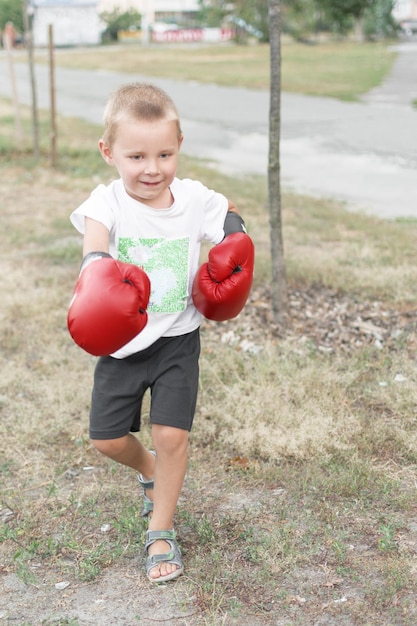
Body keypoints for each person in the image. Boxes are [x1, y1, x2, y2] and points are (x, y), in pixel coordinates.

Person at [68, 82, 254, 583]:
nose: (152, 168)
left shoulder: (192, 198)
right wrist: (97, 270)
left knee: (174, 434)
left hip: (177, 340)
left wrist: (236, 240)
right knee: (107, 440)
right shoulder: (105, 202)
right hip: (123, 344)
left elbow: (226, 212)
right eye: (137, 156)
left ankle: (161, 530)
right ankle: (149, 470)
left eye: (165, 154)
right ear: (109, 153)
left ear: (179, 145)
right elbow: (95, 238)